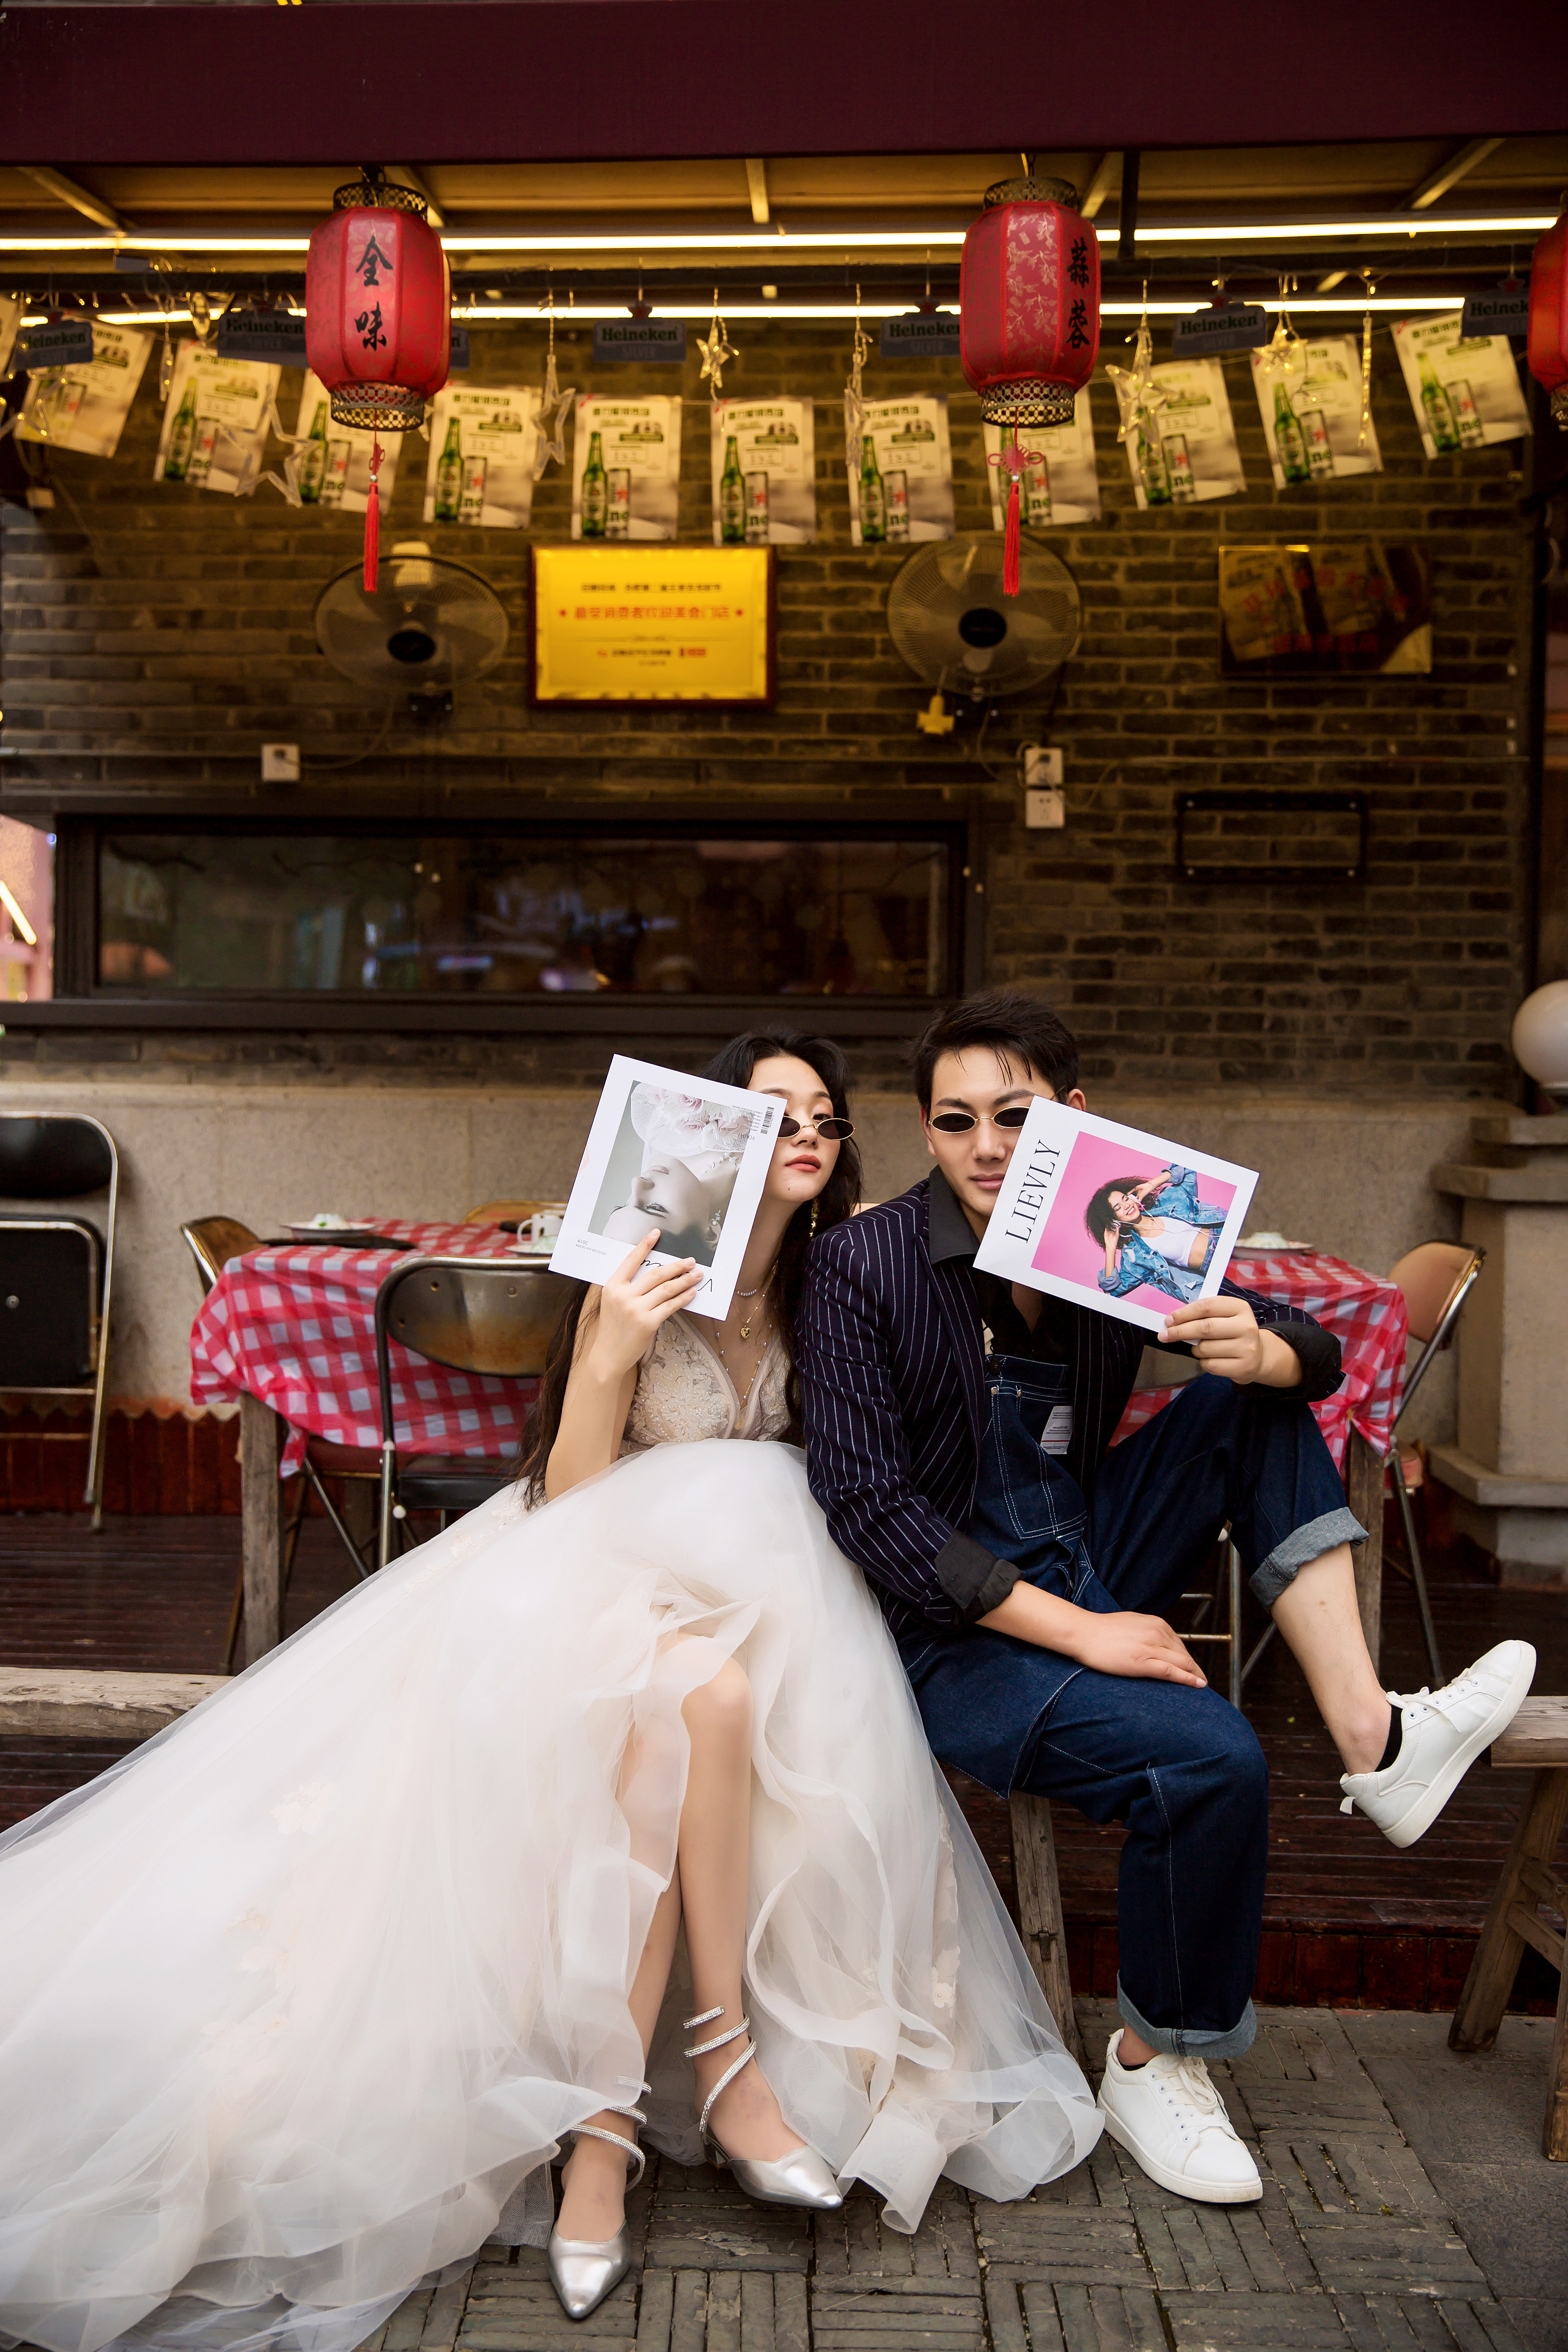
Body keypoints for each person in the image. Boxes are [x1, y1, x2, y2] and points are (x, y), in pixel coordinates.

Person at [0, 1027, 1098, 2352]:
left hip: (781, 1606)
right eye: (773, 1114)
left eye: (824, 1115)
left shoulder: (842, 1280)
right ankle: (674, 2096)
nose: (807, 1131)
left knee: (709, 1709)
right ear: (712, 1136)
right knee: (696, 1703)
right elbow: (570, 1495)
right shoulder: (639, 1262)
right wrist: (611, 1346)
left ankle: (625, 2118)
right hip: (595, 1573)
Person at [796, 988, 1535, 2209]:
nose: (987, 1146)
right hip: (949, 1633)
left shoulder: (1106, 1228)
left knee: (1250, 1398)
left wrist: (1267, 1346)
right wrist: (1084, 1631)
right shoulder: (860, 1266)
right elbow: (871, 1513)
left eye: (1015, 1116)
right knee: (1214, 1757)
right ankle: (1154, 2058)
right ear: (924, 1130)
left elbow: (1315, 1346)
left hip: (1086, 1547)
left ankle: (1374, 1736)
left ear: (1075, 1119)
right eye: (955, 1119)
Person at [599, 1082, 752, 1256]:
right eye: (655, 1207)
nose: (637, 1183)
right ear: (710, 1234)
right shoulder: (759, 1177)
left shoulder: (664, 1147)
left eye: (625, 1204)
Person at [1089, 1165, 1227, 1303]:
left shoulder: (1167, 1201)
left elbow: (1187, 1168)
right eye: (1118, 1208)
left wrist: (1151, 1185)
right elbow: (1113, 1290)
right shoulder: (1135, 1255)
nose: (1127, 1206)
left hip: (1227, 1236)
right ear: (1113, 1220)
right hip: (1216, 1271)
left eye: (1126, 1199)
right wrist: (1110, 1248)